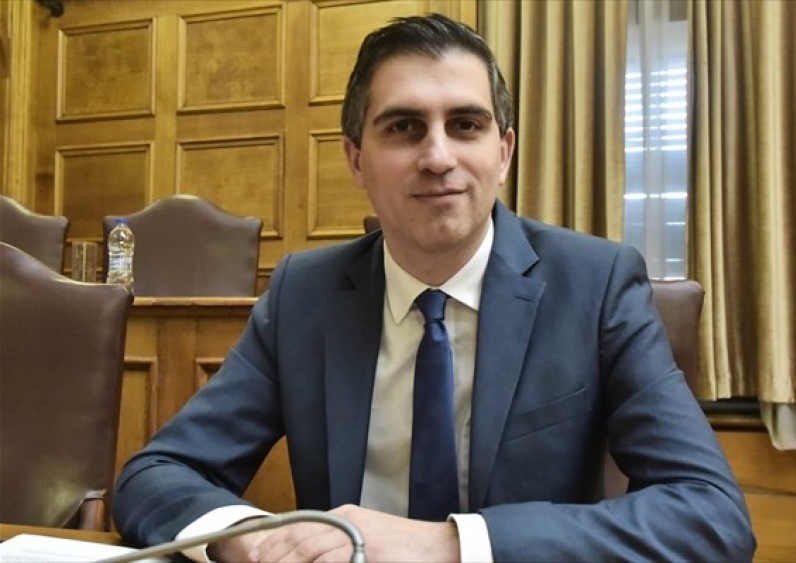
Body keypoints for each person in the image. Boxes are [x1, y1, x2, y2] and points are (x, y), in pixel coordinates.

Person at [112, 13, 756, 562]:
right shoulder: (304, 294)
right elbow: (156, 474)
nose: (438, 157)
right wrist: (254, 541)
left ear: (503, 152)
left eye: (466, 125)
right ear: (356, 159)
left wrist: (447, 544)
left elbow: (710, 515)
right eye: (404, 127)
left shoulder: (596, 285)